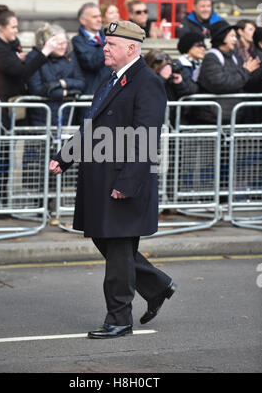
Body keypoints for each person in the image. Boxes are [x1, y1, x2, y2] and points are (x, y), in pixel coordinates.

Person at [50, 20, 177, 339]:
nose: (104, 48)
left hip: (122, 181)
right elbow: (91, 127)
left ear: (131, 49)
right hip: (101, 179)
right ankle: (157, 285)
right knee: (103, 237)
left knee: (118, 250)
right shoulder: (114, 78)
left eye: (111, 45)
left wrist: (128, 182)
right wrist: (65, 156)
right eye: (105, 43)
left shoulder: (146, 82)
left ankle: (119, 318)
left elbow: (147, 137)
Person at [0, 5, 57, 207]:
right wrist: (45, 52)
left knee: (6, 153)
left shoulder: (10, 45)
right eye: (13, 27)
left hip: (10, 109)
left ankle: (2, 198)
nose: (16, 31)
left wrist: (20, 57)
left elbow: (17, 65)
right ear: (1, 28)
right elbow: (21, 72)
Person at [195, 20, 260, 125]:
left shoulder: (235, 57)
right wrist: (246, 71)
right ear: (221, 37)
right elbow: (220, 83)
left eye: (235, 36)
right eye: (231, 36)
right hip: (214, 117)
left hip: (232, 115)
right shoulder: (211, 58)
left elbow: (243, 80)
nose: (235, 40)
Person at [26, 23, 85, 127]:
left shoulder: (70, 56)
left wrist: (62, 83)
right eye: (59, 44)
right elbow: (36, 88)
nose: (63, 46)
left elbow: (81, 82)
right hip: (41, 116)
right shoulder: (34, 57)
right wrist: (65, 93)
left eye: (64, 43)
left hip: (67, 116)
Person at [72, 2, 111, 96]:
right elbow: (92, 63)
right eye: (94, 17)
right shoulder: (78, 41)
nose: (99, 20)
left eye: (99, 16)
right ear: (83, 20)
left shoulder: (106, 36)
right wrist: (108, 41)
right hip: (92, 93)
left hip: (110, 90)